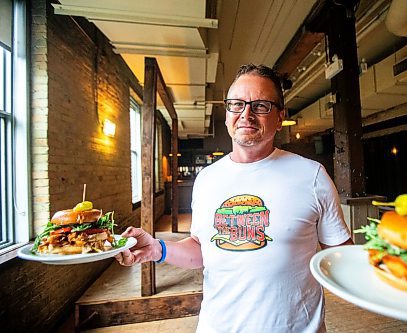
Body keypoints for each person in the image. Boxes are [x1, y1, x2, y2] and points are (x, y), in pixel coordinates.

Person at [115, 64, 353, 333]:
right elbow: (203, 249)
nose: (246, 114)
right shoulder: (206, 179)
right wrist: (157, 248)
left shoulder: (312, 176)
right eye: (237, 104)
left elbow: (344, 257)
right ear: (227, 114)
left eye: (261, 105)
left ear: (279, 117)